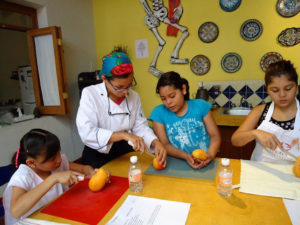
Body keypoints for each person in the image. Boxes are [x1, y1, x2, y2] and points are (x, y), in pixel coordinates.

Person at [76, 51, 167, 168]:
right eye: (119, 87)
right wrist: (123, 135)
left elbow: (140, 126)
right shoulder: (90, 94)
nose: (126, 92)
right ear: (104, 78)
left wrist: (155, 142)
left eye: (129, 85)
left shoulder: (134, 96)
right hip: (97, 155)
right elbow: (87, 132)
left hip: (124, 153)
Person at [3, 129, 95, 225]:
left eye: (59, 152)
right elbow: (15, 211)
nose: (59, 159)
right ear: (31, 163)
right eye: (52, 158)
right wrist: (53, 178)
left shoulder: (58, 163)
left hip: (57, 216)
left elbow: (84, 168)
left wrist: (91, 172)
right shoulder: (23, 177)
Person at [231, 60, 300, 163]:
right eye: (275, 90)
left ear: (297, 87)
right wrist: (255, 133)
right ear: (267, 90)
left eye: (288, 88)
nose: (282, 95)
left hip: (294, 174)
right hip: (261, 171)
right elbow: (235, 140)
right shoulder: (259, 111)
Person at [149, 71, 221, 169]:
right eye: (163, 99)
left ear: (183, 89)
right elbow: (164, 144)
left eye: (172, 96)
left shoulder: (201, 106)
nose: (168, 102)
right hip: (175, 164)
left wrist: (210, 155)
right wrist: (186, 157)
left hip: (206, 163)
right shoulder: (158, 113)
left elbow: (215, 136)